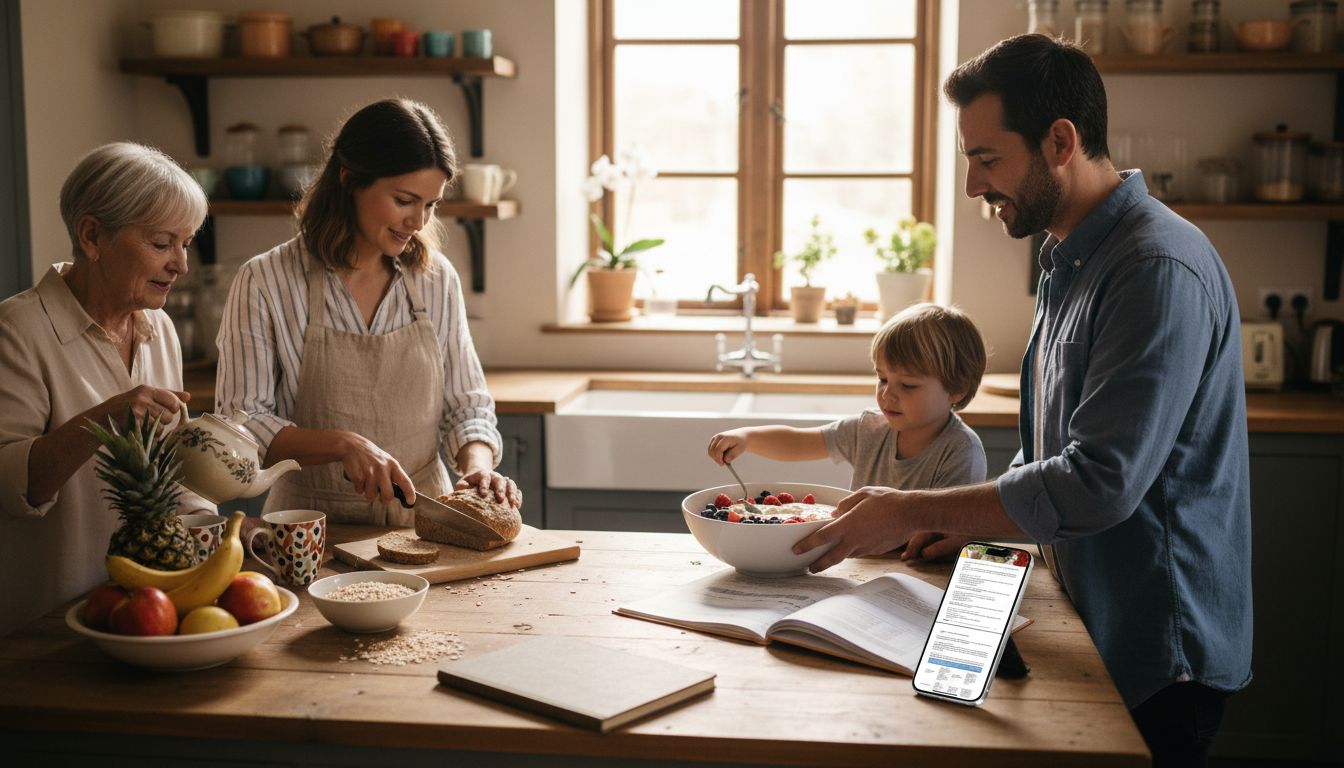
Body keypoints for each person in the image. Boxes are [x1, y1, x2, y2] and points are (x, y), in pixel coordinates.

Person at [792, 34, 1251, 767]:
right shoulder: (1067, 259)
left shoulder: (1153, 267)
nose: (973, 186)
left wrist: (913, 508)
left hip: (1156, 652)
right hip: (1087, 621)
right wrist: (980, 527)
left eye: (986, 159)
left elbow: (1099, 482)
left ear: (1060, 141)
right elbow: (1050, 459)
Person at [215, 98, 518, 525]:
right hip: (306, 528)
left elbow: (466, 406)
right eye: (404, 200)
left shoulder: (436, 279)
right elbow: (242, 423)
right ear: (349, 180)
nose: (418, 220)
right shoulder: (266, 281)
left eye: (431, 205)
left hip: (424, 524)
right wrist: (343, 444)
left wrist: (478, 466)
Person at [0, 142, 210, 636]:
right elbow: (9, 487)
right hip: (44, 629)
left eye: (187, 243)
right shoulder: (18, 329)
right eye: (162, 244)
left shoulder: (161, 331)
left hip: (152, 615)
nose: (181, 264)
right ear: (92, 235)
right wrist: (107, 418)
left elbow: (175, 478)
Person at [706, 303, 988, 518]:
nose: (888, 393)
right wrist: (748, 437)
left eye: (909, 385)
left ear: (956, 390)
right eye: (882, 378)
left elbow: (953, 527)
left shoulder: (961, 451)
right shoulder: (868, 429)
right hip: (861, 564)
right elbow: (799, 442)